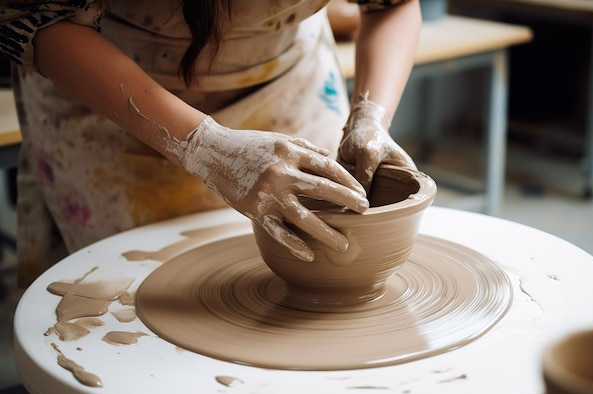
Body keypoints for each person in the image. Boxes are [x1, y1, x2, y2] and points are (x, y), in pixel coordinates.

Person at [0, 0, 421, 286]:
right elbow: (36, 18)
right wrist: (204, 146)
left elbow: (392, 4)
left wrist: (371, 115)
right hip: (113, 91)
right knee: (121, 293)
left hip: (289, 78)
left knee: (316, 243)